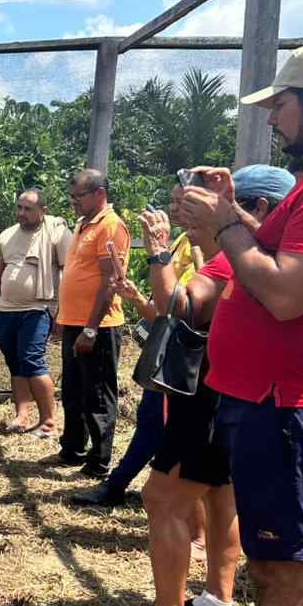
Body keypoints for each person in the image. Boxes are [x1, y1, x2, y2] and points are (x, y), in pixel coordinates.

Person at [167, 44, 303, 606]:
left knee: (285, 570)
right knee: (271, 562)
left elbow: (288, 292)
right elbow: (259, 259)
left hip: (289, 406)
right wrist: (227, 217)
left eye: (281, 106)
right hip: (266, 402)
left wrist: (227, 227)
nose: (273, 121)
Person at [103, 165, 294, 606]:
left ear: (256, 211)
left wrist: (160, 252)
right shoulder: (253, 261)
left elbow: (178, 306)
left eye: (200, 206)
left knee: (163, 499)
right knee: (220, 496)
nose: (189, 214)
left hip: (203, 400)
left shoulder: (232, 262)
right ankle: (216, 598)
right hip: (233, 398)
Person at [72, 179, 203, 508]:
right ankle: (124, 486)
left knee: (158, 426)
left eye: (182, 202)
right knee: (151, 422)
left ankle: (120, 487)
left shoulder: (203, 247)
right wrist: (135, 297)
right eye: (172, 201)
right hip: (169, 350)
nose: (173, 209)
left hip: (189, 357)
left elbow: (193, 306)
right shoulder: (182, 242)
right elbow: (165, 311)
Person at [50, 170, 130, 478]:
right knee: (73, 390)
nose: (73, 203)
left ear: (99, 194)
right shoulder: (84, 224)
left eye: (78, 197)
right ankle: (72, 449)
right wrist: (64, 317)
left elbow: (110, 281)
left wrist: (91, 328)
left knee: (97, 393)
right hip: (74, 321)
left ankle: (99, 461)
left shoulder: (110, 226)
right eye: (72, 197)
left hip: (99, 326)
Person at [0, 189, 71, 437]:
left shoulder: (57, 232)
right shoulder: (6, 236)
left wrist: (64, 311)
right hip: (6, 309)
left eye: (28, 209)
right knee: (15, 362)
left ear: (43, 210)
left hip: (39, 308)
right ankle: (21, 415)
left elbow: (69, 273)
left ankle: (49, 422)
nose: (21, 213)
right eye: (19, 207)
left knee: (31, 360)